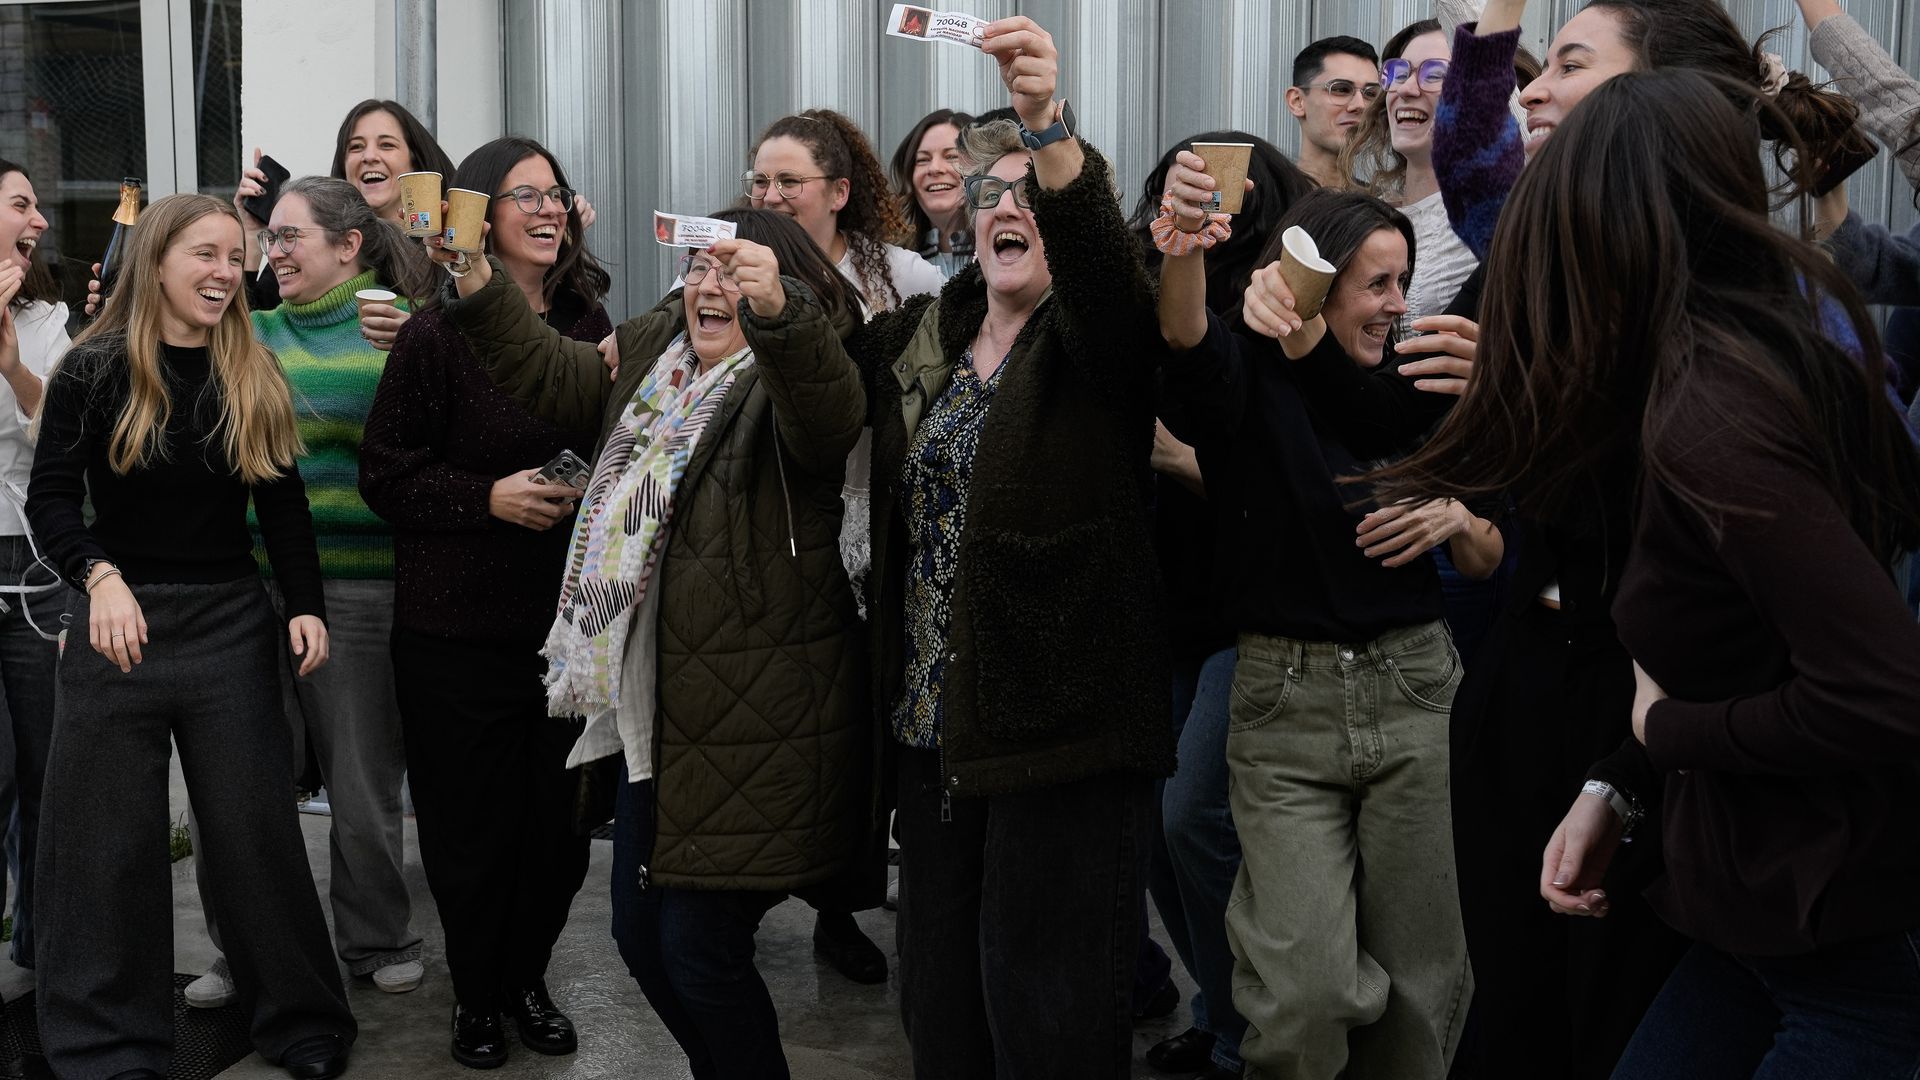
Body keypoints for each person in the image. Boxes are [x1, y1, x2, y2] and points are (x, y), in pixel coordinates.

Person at [1378, 68, 1920, 1080]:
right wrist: (1621, 786)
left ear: (1605, 224)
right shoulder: (1678, 383)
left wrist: (1662, 732)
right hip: (1740, 916)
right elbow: (1746, 648)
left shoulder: (1717, 421)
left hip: (1833, 940)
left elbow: (1880, 691)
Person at [430, 203, 876, 1080]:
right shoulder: (655, 359)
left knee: (701, 951)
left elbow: (829, 412)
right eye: (700, 270)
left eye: (733, 273)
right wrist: (472, 276)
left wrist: (778, 312)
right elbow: (547, 373)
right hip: (652, 712)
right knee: (641, 940)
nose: (711, 287)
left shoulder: (786, 377)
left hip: (752, 712)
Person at [841, 18, 1175, 1076]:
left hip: (1057, 733)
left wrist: (1045, 124)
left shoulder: (1094, 347)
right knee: (940, 1010)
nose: (1005, 209)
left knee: (1050, 1016)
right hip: (935, 730)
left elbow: (1115, 284)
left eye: (1029, 195)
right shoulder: (927, 340)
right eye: (990, 195)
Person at [1157, 169, 1491, 1078]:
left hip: (1414, 686)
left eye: (1403, 282)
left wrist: (1460, 518)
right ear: (1316, 277)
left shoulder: (1420, 377)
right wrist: (1184, 246)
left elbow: (1497, 550)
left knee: (1421, 985)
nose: (1395, 304)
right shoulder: (1245, 371)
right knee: (1299, 991)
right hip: (1283, 702)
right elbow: (1185, 339)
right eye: (1376, 283)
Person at [27, 193, 354, 1080]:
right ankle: (106, 1041)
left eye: (232, 256)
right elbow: (50, 502)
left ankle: (300, 1020)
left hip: (228, 630)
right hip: (117, 626)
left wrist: (303, 603)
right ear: (157, 263)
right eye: (204, 254)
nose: (223, 272)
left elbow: (281, 503)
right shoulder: (93, 372)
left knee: (255, 839)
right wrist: (97, 578)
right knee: (105, 849)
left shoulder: (251, 369)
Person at [358, 136, 610, 1070]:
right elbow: (386, 478)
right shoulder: (435, 334)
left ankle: (526, 980)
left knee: (560, 837)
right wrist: (489, 498)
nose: (548, 210)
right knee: (471, 837)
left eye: (558, 195)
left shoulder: (593, 327)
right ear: (478, 217)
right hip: (453, 633)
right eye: (523, 196)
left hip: (566, 632)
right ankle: (476, 997)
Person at [180, 176, 437, 1012]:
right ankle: (243, 948)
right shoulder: (245, 337)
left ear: (348, 246)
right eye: (271, 237)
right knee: (238, 780)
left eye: (290, 237)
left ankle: (377, 937)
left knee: (360, 783)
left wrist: (418, 348)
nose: (272, 252)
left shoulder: (397, 328)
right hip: (250, 585)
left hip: (360, 590)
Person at [1128, 130, 1315, 1080]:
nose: (1200, 206)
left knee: (1192, 816)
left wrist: (1177, 459)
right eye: (1180, 191)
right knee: (1156, 825)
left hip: (1252, 612)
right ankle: (1219, 1006)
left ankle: (1252, 1028)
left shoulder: (1278, 317)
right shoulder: (1151, 296)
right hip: (1160, 605)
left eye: (1221, 191)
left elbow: (1292, 485)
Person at [747, 106, 942, 983]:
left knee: (861, 721)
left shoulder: (901, 276)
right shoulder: (732, 262)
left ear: (839, 191)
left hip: (872, 514)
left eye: (790, 182)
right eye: (761, 181)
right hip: (766, 518)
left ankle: (840, 909)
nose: (772, 195)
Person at [0, 161, 69, 976]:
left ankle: (47, 943)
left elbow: (54, 433)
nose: (40, 220)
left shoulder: (49, 319)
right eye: (21, 204)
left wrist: (12, 360)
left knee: (48, 764)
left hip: (33, 561)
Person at [232, 99, 455, 323]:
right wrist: (251, 235)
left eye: (387, 145)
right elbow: (244, 329)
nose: (368, 157)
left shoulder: (444, 246)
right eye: (356, 147)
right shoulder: (301, 252)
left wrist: (413, 336)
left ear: (415, 162)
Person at [890, 108, 977, 279]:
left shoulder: (1004, 253)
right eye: (923, 160)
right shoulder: (895, 264)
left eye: (952, 156)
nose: (935, 168)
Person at [1286, 36, 1382, 189]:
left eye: (1370, 93)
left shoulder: (1383, 206)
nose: (1360, 105)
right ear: (1297, 101)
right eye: (1341, 89)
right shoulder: (1265, 201)